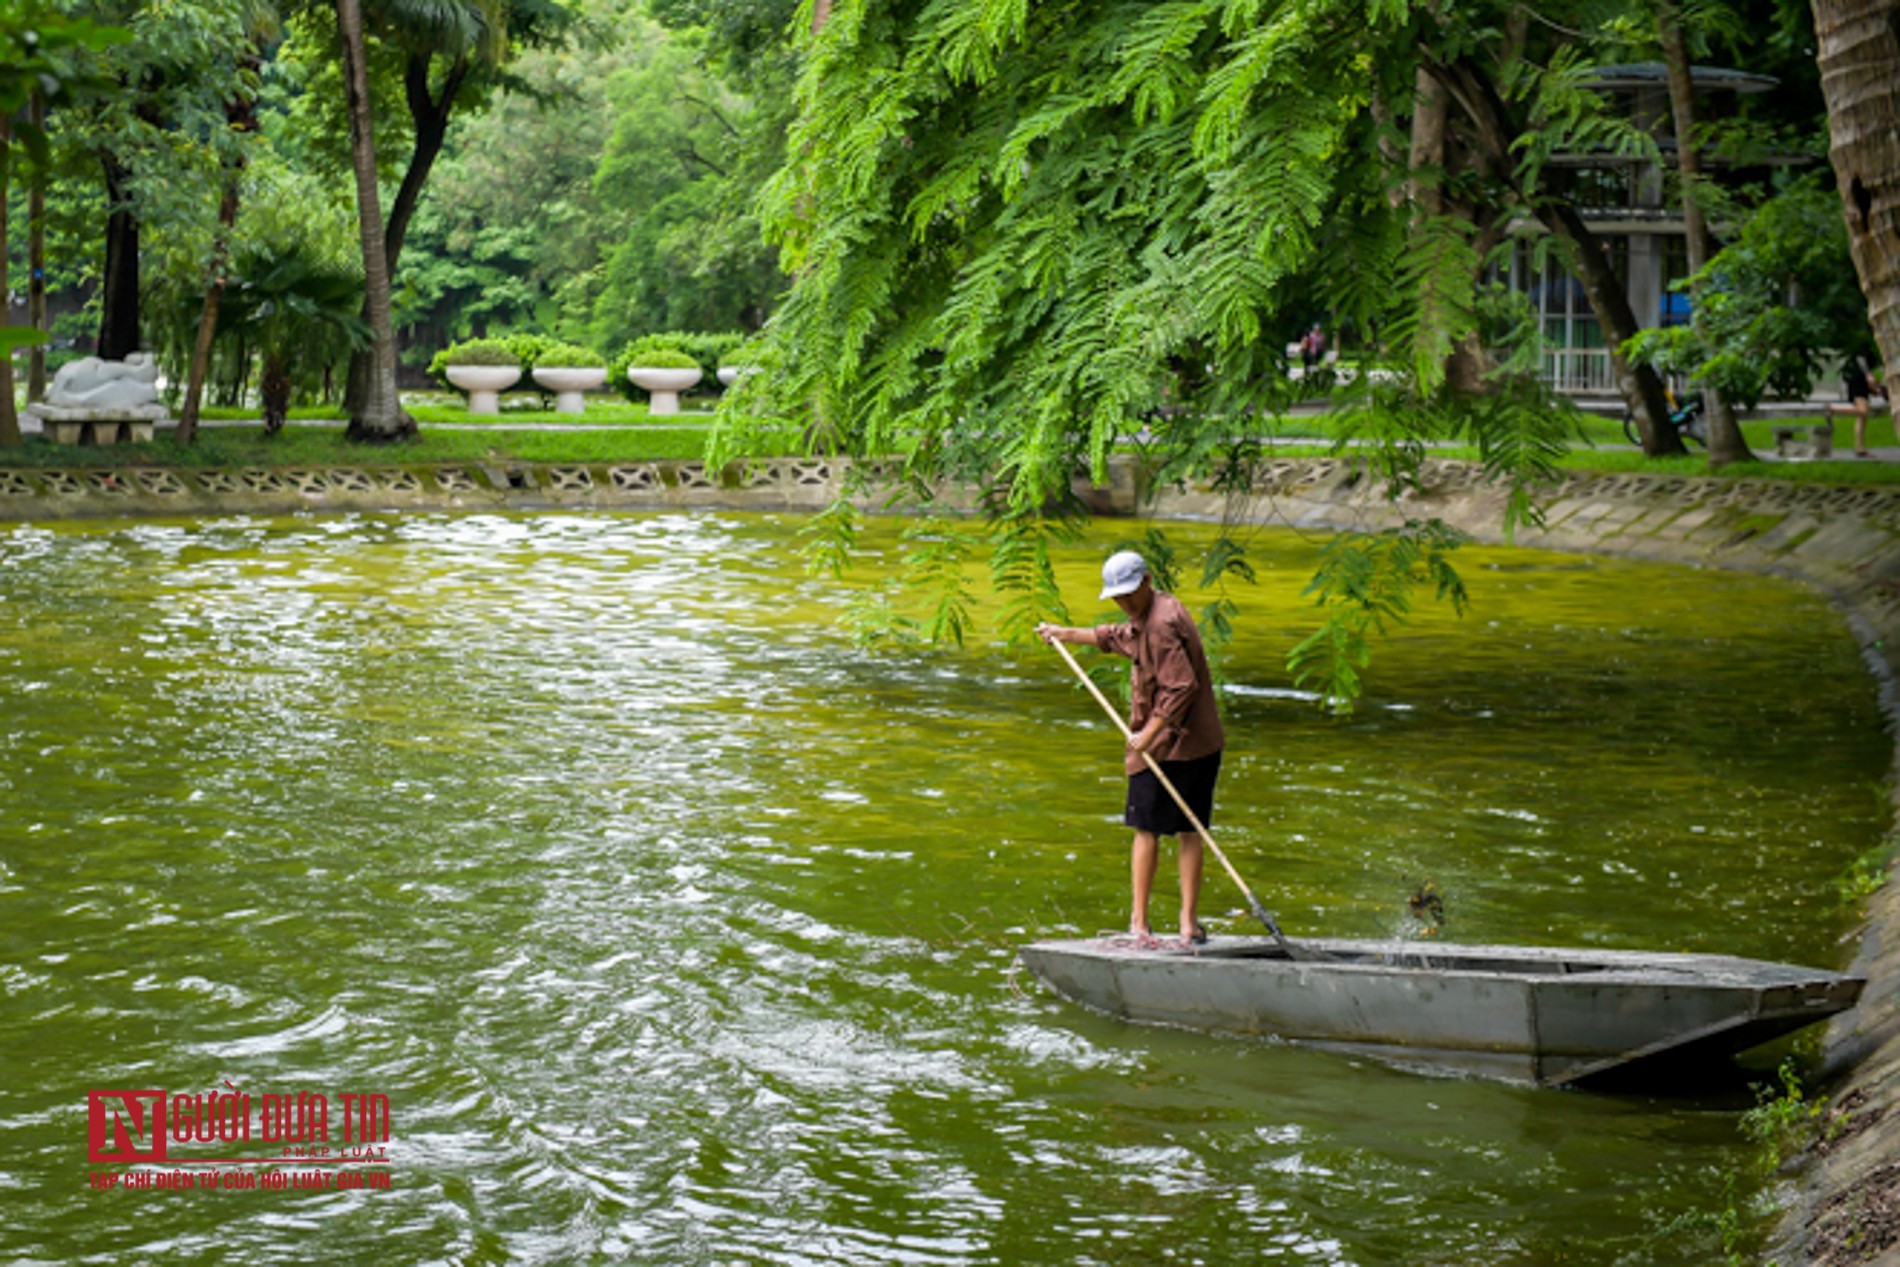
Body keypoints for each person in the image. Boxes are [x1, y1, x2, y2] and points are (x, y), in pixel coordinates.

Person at [1037, 551, 1225, 947]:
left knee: (1179, 829)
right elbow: (1117, 637)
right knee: (1154, 828)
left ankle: (1179, 925)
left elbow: (1181, 687)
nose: (1124, 603)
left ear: (1146, 581)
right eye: (1118, 598)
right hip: (1175, 742)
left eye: (1128, 595)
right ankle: (1144, 923)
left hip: (1183, 743)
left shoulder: (1161, 625)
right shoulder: (1151, 614)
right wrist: (1065, 634)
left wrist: (1150, 734)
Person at [1830, 355, 1887, 459]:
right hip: (1858, 380)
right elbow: (1860, 358)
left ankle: (1860, 448)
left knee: (1862, 418)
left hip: (1862, 381)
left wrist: (1877, 389)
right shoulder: (1864, 348)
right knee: (1863, 411)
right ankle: (1832, 409)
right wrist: (1868, 375)